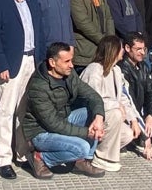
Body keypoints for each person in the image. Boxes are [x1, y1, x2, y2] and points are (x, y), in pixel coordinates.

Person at [0, 0, 44, 179]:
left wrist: (41, 62)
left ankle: (22, 154)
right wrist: (1, 65)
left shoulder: (33, 1)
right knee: (6, 112)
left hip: (31, 62)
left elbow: (40, 32)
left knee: (25, 111)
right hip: (10, 64)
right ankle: (3, 159)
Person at [23, 42, 107, 179]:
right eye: (66, 61)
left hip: (64, 118)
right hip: (41, 132)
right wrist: (87, 133)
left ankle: (82, 161)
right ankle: (40, 157)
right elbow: (53, 124)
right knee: (82, 148)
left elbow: (93, 96)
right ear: (52, 62)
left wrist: (98, 118)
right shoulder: (38, 87)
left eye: (71, 60)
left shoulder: (69, 74)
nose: (71, 65)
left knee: (96, 113)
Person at [80, 35, 141, 172]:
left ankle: (97, 150)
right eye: (120, 49)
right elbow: (93, 98)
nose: (123, 52)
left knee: (128, 134)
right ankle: (104, 157)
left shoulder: (116, 70)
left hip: (109, 115)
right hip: (92, 116)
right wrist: (115, 105)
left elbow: (124, 98)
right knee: (116, 113)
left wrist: (133, 119)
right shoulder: (94, 69)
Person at [69, 0, 115, 69]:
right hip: (85, 54)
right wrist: (104, 42)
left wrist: (111, 41)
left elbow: (108, 17)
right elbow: (82, 22)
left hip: (103, 51)